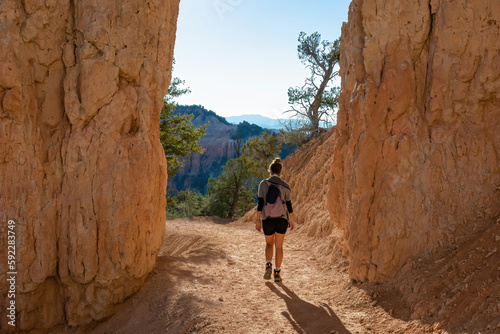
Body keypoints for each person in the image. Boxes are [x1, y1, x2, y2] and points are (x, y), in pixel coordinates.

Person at [255, 158, 295, 282]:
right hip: (282, 219)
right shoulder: (286, 186)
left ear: (270, 171)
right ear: (280, 171)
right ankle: (277, 273)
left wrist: (258, 220)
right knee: (279, 246)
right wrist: (292, 221)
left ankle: (268, 265)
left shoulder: (263, 184)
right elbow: (289, 205)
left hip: (268, 218)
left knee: (268, 244)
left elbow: (260, 203)